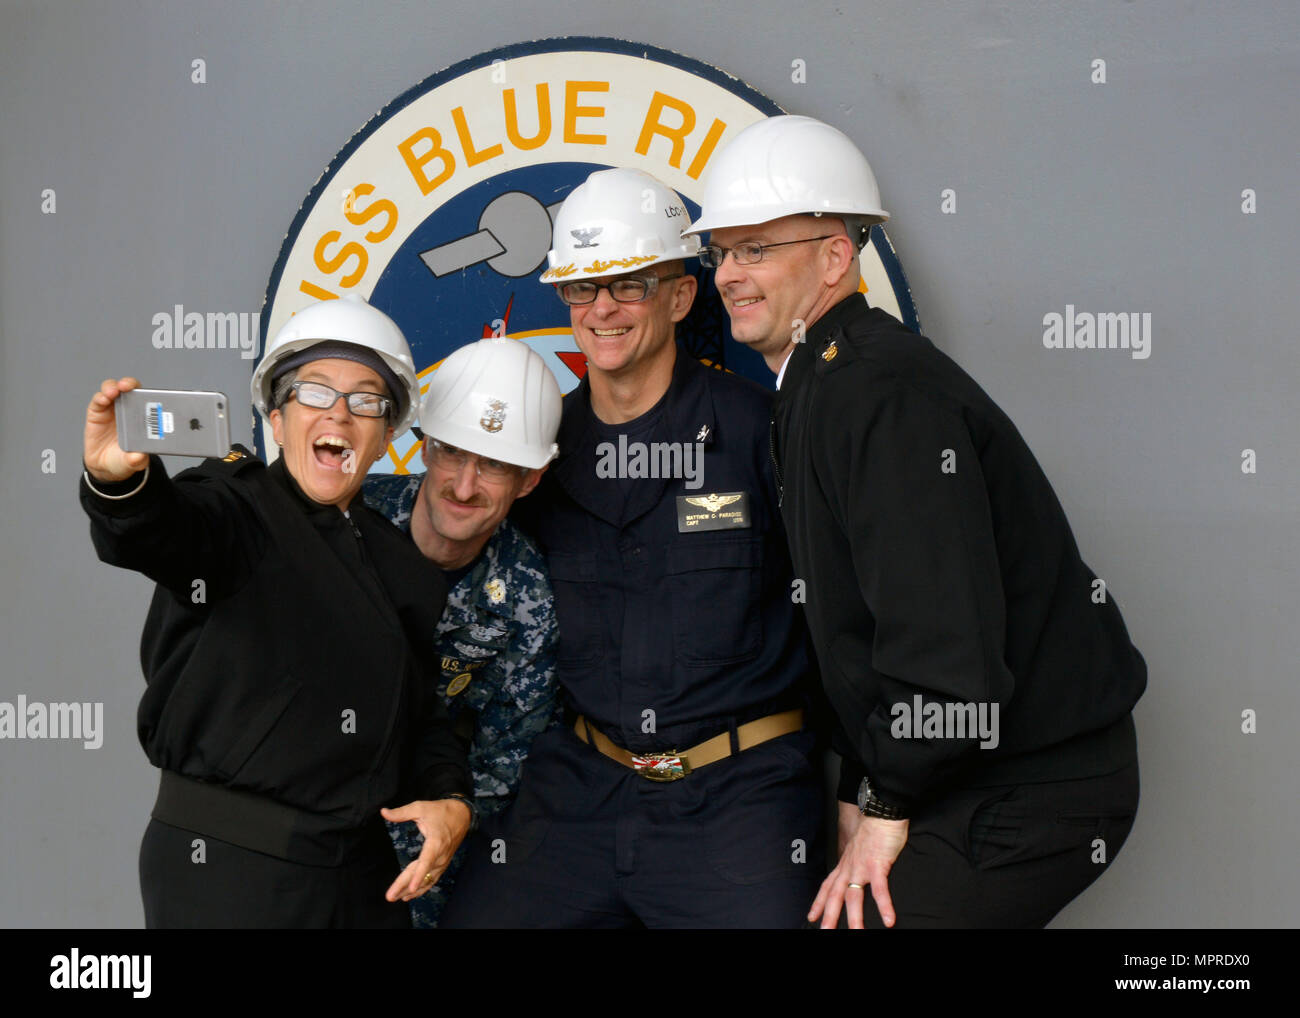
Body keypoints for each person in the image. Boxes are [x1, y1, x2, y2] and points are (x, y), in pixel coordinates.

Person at [686, 114, 1147, 929]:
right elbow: (857, 631)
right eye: (722, 250)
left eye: (758, 248)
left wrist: (885, 798)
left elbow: (946, 654)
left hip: (1030, 786)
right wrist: (859, 790)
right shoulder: (816, 385)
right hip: (955, 767)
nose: (729, 274)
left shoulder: (879, 395)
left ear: (835, 256)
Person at [439, 168, 824, 929]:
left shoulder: (764, 432)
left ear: (682, 297)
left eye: (630, 285)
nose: (602, 308)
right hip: (579, 789)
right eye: (582, 289)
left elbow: (848, 612)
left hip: (738, 794)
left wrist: (868, 793)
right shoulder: (541, 453)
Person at [80, 293, 474, 928]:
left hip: (361, 881)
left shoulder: (405, 568)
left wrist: (452, 797)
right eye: (316, 392)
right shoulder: (235, 508)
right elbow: (161, 531)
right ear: (278, 414)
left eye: (365, 402)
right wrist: (121, 486)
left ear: (384, 437)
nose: (340, 415)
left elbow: (423, 718)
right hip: (227, 873)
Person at [362, 336, 562, 927]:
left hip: (425, 856)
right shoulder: (346, 523)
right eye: (453, 453)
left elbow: (505, 765)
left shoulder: (529, 599)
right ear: (424, 446)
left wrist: (448, 816)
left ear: (530, 480)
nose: (466, 485)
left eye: (496, 464)